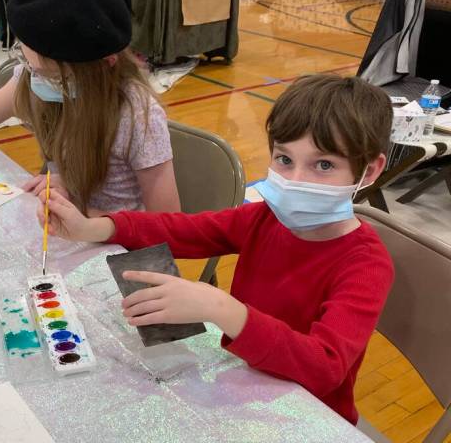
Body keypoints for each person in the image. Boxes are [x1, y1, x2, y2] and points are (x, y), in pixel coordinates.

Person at [37, 74, 394, 424]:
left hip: (310, 417)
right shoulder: (264, 218)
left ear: (370, 170)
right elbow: (184, 230)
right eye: (284, 159)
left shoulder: (366, 264)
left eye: (324, 165)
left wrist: (221, 307)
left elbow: (324, 367)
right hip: (242, 383)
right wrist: (95, 227)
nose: (295, 180)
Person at [0, 0, 180, 215]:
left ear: (103, 66)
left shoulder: (136, 115)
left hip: (121, 243)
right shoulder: (32, 77)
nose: (35, 77)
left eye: (51, 75)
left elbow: (168, 223)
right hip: (68, 226)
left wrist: (84, 215)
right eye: (29, 64)